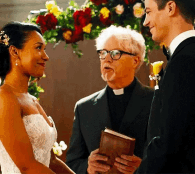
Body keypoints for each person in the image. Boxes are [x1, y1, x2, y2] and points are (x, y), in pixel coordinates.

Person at [137, 0, 195, 173]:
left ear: (170, 8)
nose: (146, 21)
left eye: (149, 11)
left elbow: (170, 143)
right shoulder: (193, 56)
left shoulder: (187, 62)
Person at [66, 25, 154, 174]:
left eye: (114, 53)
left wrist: (144, 168)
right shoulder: (84, 108)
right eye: (103, 53)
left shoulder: (156, 101)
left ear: (135, 60)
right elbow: (72, 164)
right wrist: (87, 167)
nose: (106, 59)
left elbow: (172, 158)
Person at [0, 21, 75, 174]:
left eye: (45, 49)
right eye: (38, 48)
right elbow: (27, 166)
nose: (46, 56)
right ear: (15, 52)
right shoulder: (2, 98)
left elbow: (51, 161)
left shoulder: (31, 100)